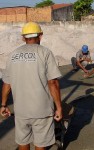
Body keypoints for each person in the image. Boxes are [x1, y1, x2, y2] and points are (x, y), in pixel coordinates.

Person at [0, 22, 62, 150]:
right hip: (42, 111)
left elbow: (7, 83)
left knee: (23, 142)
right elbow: (53, 83)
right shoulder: (45, 53)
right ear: (40, 35)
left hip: (21, 111)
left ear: (23, 38)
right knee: (40, 144)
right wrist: (59, 107)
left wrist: (3, 105)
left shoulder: (13, 55)